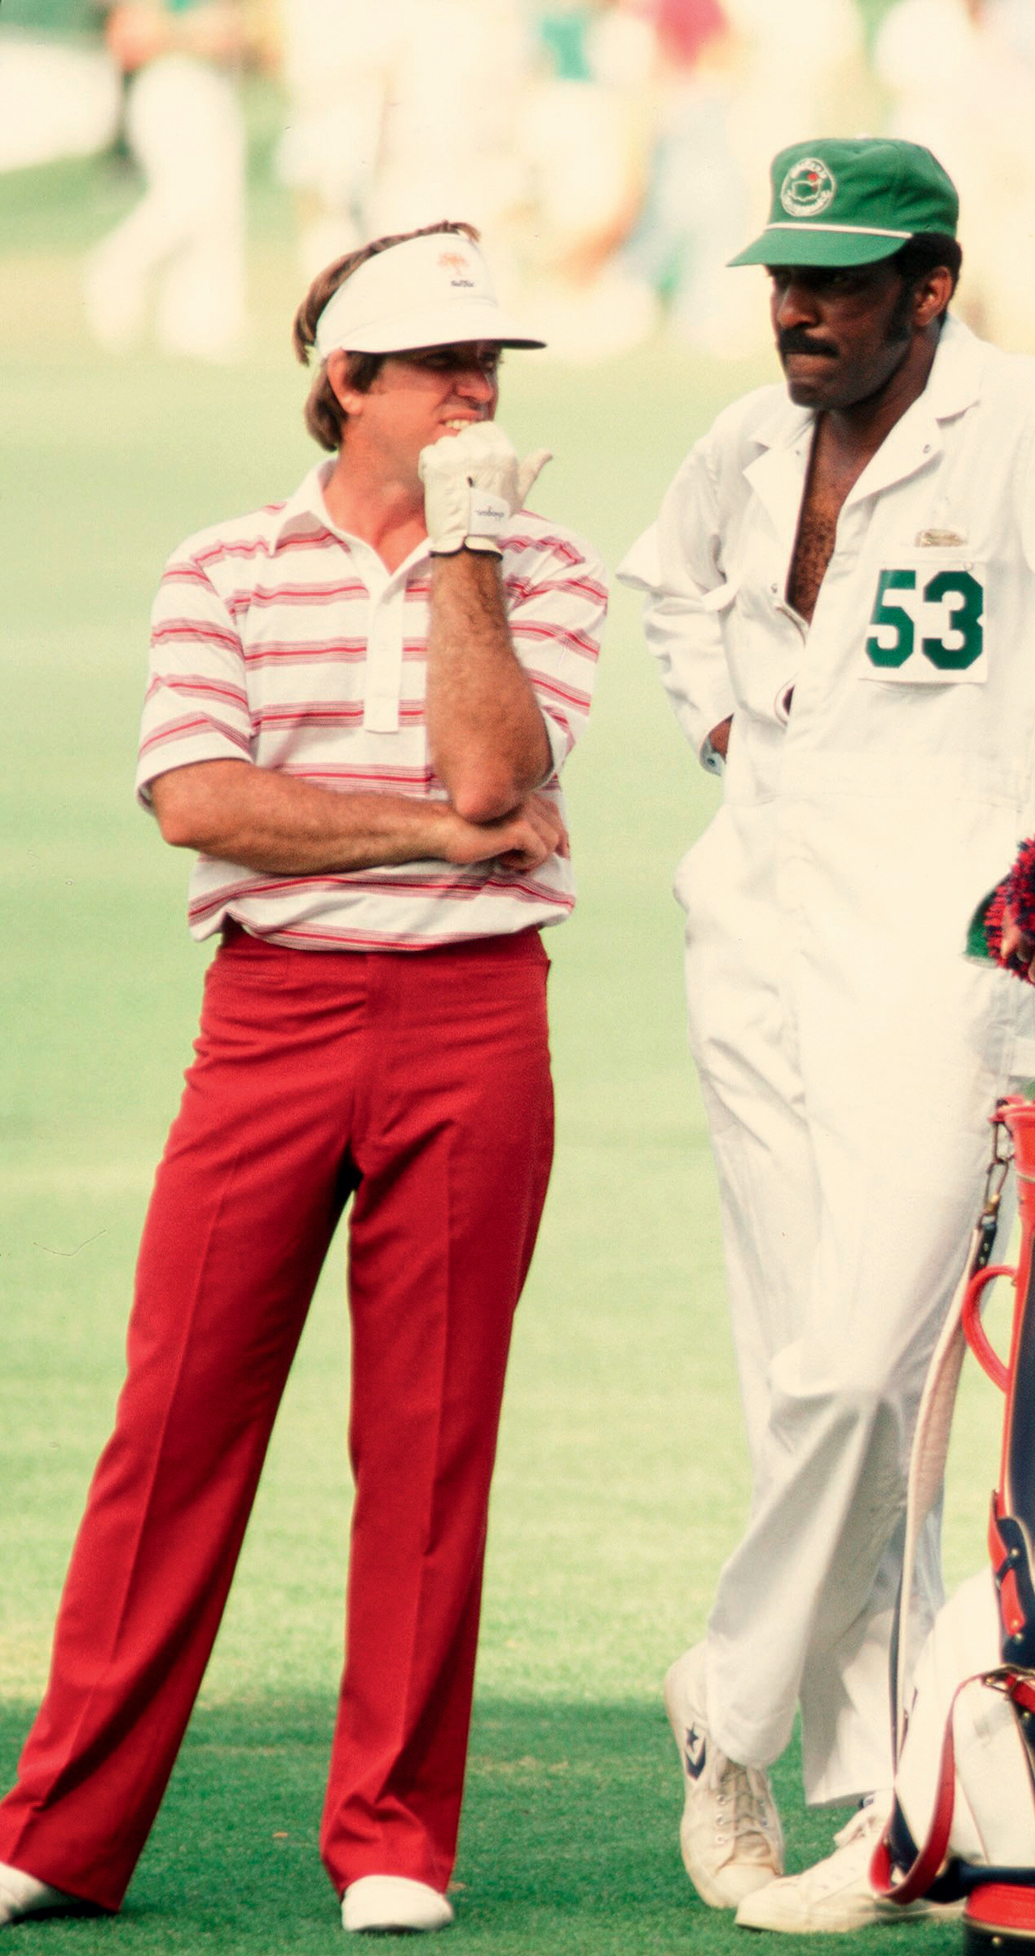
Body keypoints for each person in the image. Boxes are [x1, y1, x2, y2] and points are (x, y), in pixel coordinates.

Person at [620, 137, 1035, 1932]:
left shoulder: (1029, 424)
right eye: (781, 278)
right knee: (794, 1353)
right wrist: (729, 732)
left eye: (838, 280)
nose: (796, 309)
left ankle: (721, 1708)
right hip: (751, 931)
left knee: (863, 1357)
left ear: (931, 284)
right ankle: (874, 1783)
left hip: (945, 956)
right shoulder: (742, 439)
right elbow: (669, 587)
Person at [0, 224, 597, 1937]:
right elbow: (199, 800)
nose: (479, 391)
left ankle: (396, 1837)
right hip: (266, 1019)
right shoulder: (222, 564)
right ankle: (61, 1827)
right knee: (173, 1418)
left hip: (476, 1020)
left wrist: (467, 550)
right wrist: (435, 832)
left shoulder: (542, 571)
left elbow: (500, 759)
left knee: (427, 1439)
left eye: (491, 365)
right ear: (344, 383)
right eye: (440, 367)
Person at [83, 0, 247, 362]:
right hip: (168, 83)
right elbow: (133, 37)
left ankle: (198, 329)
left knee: (216, 212)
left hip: (210, 84)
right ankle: (114, 267)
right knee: (187, 201)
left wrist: (188, 31)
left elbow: (230, 32)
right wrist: (191, 32)